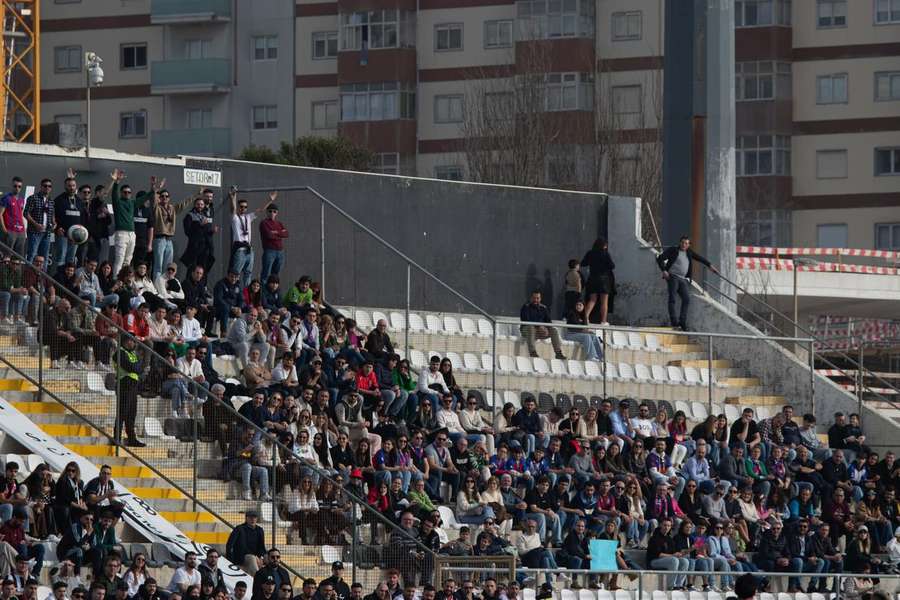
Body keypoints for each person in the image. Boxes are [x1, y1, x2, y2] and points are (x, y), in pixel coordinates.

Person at [655, 235, 719, 331]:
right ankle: (674, 321)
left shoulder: (689, 252)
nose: (684, 245)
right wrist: (664, 270)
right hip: (673, 277)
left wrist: (710, 265)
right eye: (682, 242)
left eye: (686, 243)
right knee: (672, 298)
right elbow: (660, 258)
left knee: (686, 299)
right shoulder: (673, 250)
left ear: (689, 245)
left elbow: (700, 258)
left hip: (683, 279)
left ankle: (682, 321)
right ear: (679, 243)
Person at [229, 189, 273, 289]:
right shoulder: (235, 218)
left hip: (249, 250)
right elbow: (233, 208)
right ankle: (234, 293)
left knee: (248, 273)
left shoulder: (248, 217)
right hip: (240, 250)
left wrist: (269, 200)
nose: (243, 209)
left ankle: (247, 296)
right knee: (236, 273)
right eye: (241, 207)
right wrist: (233, 197)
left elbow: (260, 210)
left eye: (245, 207)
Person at [114, 334, 145, 447]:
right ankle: (116, 438)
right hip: (124, 383)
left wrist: (138, 365)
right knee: (122, 412)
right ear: (127, 341)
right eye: (133, 341)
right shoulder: (120, 353)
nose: (135, 344)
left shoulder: (132, 354)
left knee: (132, 414)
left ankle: (131, 438)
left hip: (133, 385)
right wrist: (138, 364)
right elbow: (132, 368)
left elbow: (139, 369)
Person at [519, 290, 565, 360]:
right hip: (527, 330)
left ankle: (558, 353)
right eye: (534, 298)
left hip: (540, 331)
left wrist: (546, 328)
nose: (536, 300)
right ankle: (533, 352)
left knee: (553, 330)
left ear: (540, 299)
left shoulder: (543, 308)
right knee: (531, 328)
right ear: (531, 298)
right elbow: (526, 321)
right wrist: (539, 326)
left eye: (537, 298)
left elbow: (549, 322)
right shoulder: (526, 307)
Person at [647, 518, 689, 590]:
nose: (667, 527)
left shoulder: (669, 539)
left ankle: (679, 585)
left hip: (667, 560)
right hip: (654, 561)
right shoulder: (654, 538)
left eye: (669, 526)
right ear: (661, 525)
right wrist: (673, 555)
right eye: (665, 525)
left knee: (685, 561)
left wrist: (679, 554)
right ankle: (671, 586)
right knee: (674, 560)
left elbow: (673, 552)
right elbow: (658, 555)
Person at [580, 238, 615, 324]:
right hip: (603, 279)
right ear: (603, 245)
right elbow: (612, 265)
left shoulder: (590, 253)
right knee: (604, 302)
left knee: (592, 300)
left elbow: (583, 263)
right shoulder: (605, 254)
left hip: (592, 278)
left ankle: (586, 317)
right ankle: (603, 321)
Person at [225, 510, 266, 575]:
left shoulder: (260, 530)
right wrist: (230, 561)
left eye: (254, 517)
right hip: (241, 556)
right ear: (246, 518)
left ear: (257, 519)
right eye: (250, 517)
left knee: (270, 558)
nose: (252, 519)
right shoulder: (239, 529)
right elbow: (229, 545)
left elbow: (262, 547)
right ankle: (258, 579)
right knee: (251, 558)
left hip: (256, 557)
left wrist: (261, 557)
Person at [24, 178, 54, 266]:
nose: (47, 188)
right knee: (32, 255)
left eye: (49, 186)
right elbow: (26, 213)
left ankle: (42, 279)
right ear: (41, 187)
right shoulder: (33, 198)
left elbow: (52, 214)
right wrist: (36, 224)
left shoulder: (51, 200)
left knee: (44, 257)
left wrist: (54, 223)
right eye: (45, 186)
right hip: (34, 232)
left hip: (47, 233)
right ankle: (28, 277)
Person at [259, 196, 288, 284]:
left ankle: (273, 295)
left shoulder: (279, 223)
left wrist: (275, 232)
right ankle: (263, 296)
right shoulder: (264, 223)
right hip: (269, 251)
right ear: (267, 212)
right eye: (270, 211)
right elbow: (269, 235)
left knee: (275, 276)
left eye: (274, 211)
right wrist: (279, 233)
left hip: (280, 252)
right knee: (266, 275)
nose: (272, 213)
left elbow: (286, 234)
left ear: (277, 213)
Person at [0, 176, 27, 256]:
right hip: (10, 231)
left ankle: (17, 269)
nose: (17, 188)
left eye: (19, 186)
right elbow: (0, 214)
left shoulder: (22, 199)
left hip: (20, 232)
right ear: (12, 186)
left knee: (18, 257)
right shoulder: (6, 198)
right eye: (15, 186)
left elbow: (21, 215)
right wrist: (4, 230)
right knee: (6, 255)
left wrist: (24, 230)